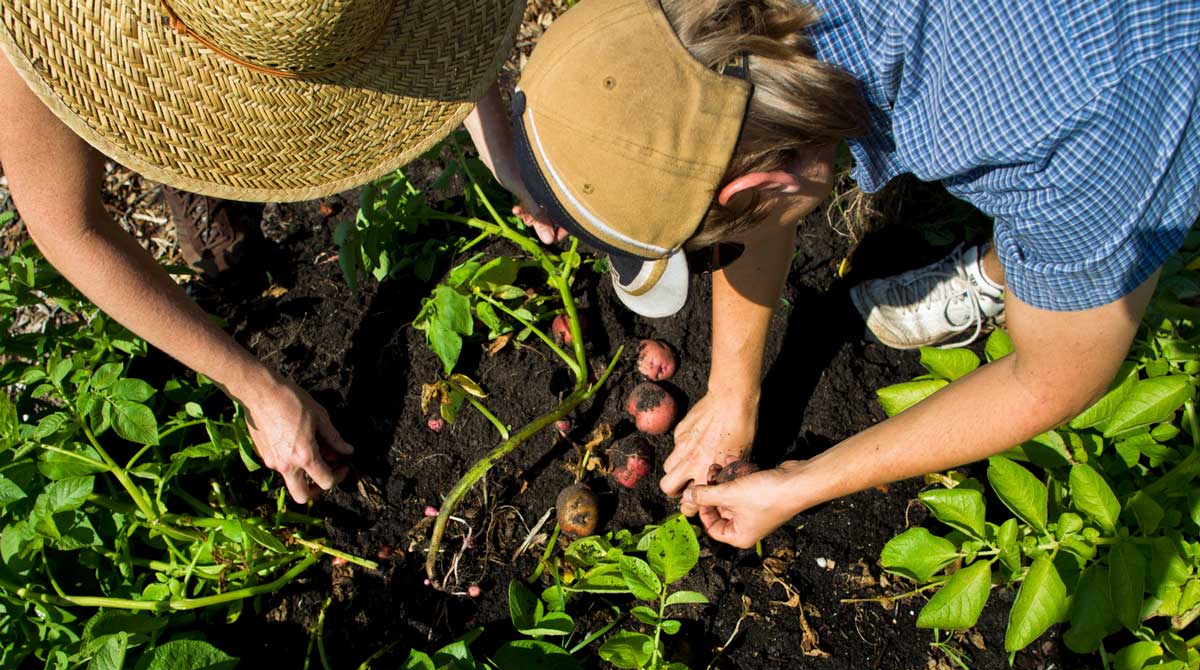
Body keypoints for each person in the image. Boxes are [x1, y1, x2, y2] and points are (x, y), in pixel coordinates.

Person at [510, 0, 1200, 547]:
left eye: (718, 232)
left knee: (1071, 260)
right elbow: (747, 143)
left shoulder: (1065, 129)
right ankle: (1027, 263)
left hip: (1140, 60)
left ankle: (1036, 272)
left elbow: (1053, 379)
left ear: (765, 185)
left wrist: (798, 485)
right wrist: (731, 388)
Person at [0, 0, 554, 502]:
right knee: (228, 259)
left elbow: (450, 32)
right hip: (169, 53)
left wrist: (503, 158)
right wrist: (253, 387)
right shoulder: (43, 23)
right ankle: (187, 160)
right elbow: (69, 229)